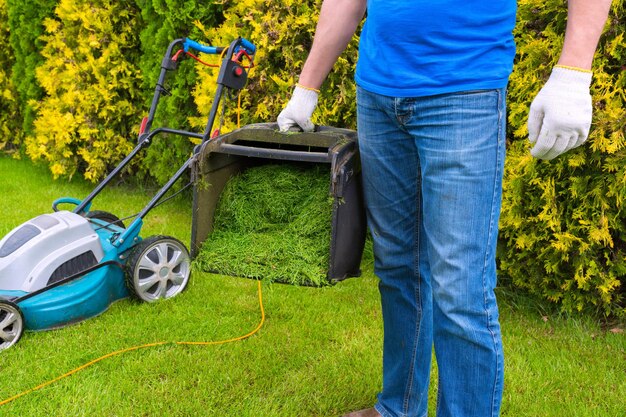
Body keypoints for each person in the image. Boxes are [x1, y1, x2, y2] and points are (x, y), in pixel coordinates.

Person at [277, 1, 613, 416]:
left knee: (461, 287)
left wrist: (573, 72)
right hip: (378, 93)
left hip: (464, 94)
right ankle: (398, 407)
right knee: (397, 265)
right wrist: (306, 88)